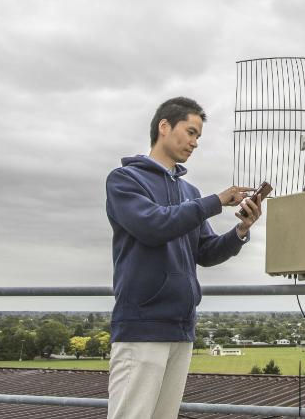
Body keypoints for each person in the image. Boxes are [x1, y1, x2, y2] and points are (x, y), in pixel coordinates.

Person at [105, 96, 262, 419]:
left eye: (198, 137)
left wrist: (240, 232)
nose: (195, 143)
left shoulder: (189, 193)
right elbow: (153, 225)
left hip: (181, 328)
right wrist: (216, 201)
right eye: (190, 132)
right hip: (142, 327)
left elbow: (205, 252)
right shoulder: (125, 180)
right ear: (164, 127)